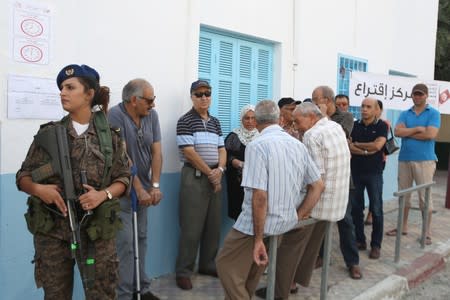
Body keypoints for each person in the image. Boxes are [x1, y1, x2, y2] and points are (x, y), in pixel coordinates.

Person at [16, 64, 130, 299]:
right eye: (61, 88)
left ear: (89, 94)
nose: (62, 93)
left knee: (102, 294)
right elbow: (23, 176)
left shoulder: (110, 136)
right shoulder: (48, 134)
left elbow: (124, 178)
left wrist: (103, 194)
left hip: (96, 232)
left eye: (70, 87)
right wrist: (39, 189)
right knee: (56, 295)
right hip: (54, 233)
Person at [216, 100, 324, 300]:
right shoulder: (296, 145)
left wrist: (258, 238)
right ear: (279, 119)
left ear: (256, 121)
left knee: (225, 265)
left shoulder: (257, 146)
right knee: (251, 272)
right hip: (284, 222)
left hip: (254, 225)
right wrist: (298, 216)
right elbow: (317, 185)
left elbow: (260, 197)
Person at [255, 102, 351, 299]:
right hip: (336, 204)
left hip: (317, 204)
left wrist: (300, 213)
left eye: (298, 121)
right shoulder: (335, 126)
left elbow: (315, 181)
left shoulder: (312, 135)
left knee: (285, 249)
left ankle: (279, 293)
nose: (296, 126)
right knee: (307, 250)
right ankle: (290, 284)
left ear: (311, 117)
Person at [108, 79, 163, 300]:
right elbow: (123, 158)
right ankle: (124, 294)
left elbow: (157, 152)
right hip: (123, 192)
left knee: (141, 238)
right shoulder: (114, 116)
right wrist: (138, 189)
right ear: (134, 100)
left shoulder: (152, 116)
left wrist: (155, 186)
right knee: (125, 245)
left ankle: (142, 288)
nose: (153, 105)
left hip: (145, 191)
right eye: (149, 100)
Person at [175, 80, 226, 290]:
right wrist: (211, 174)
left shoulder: (215, 122)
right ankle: (183, 271)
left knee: (213, 226)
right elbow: (189, 152)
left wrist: (220, 171)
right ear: (192, 97)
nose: (204, 97)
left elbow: (222, 149)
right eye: (199, 94)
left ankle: (207, 264)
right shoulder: (185, 120)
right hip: (195, 177)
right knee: (191, 227)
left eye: (207, 93)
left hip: (214, 175)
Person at [312, 85, 362, 278]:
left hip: (342, 180)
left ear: (327, 101)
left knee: (345, 220)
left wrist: (322, 118)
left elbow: (338, 136)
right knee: (320, 220)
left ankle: (352, 262)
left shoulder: (345, 117)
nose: (314, 103)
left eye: (317, 100)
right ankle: (321, 256)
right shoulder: (317, 119)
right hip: (321, 179)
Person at [386, 83, 440, 245]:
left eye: (420, 94)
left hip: (425, 160)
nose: (417, 97)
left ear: (426, 96)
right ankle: (402, 227)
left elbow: (430, 134)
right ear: (412, 95)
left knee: (425, 197)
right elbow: (397, 132)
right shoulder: (405, 113)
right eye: (415, 94)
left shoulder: (433, 113)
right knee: (404, 195)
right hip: (405, 159)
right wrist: (417, 128)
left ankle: (426, 233)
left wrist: (407, 133)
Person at [350, 98, 387, 259]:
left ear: (376, 109)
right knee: (356, 209)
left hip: (374, 173)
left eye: (368, 107)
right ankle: (360, 240)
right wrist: (367, 149)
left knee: (377, 209)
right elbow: (349, 146)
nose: (364, 109)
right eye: (363, 106)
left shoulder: (381, 126)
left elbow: (378, 146)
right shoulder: (354, 125)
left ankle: (376, 245)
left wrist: (358, 145)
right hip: (356, 172)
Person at [224, 104, 259, 220]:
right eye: (246, 118)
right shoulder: (234, 136)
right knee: (239, 214)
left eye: (253, 118)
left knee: (256, 213)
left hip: (257, 182)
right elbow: (225, 154)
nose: (250, 121)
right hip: (237, 183)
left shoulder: (262, 136)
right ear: (241, 119)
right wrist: (236, 162)